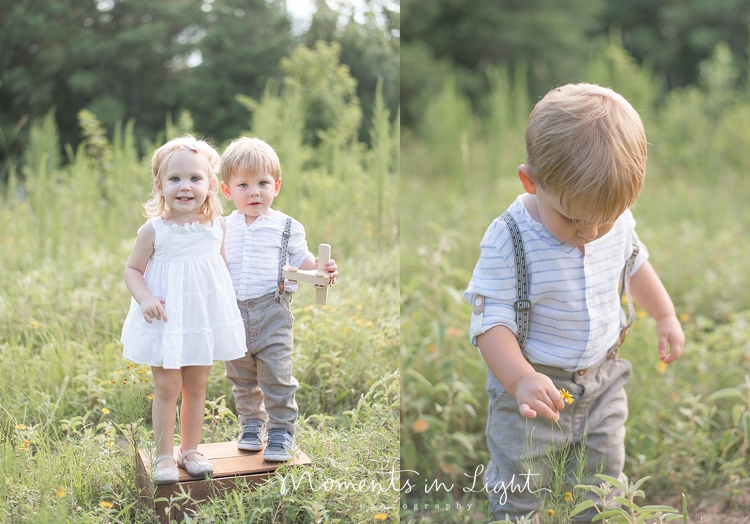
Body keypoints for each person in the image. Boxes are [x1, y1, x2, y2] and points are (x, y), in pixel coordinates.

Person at [463, 83, 685, 521]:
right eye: (573, 219)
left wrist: (665, 313)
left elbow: (633, 263)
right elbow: (492, 323)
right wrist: (521, 379)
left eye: (607, 219)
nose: (591, 233)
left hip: (603, 381)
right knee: (519, 490)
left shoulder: (612, 223)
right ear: (532, 181)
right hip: (532, 391)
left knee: (602, 486)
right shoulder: (510, 237)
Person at [121, 135, 247, 485]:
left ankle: (189, 449)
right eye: (175, 179)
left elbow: (220, 270)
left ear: (210, 186)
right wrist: (145, 298)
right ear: (160, 186)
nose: (185, 186)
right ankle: (163, 454)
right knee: (166, 386)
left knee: (196, 384)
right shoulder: (154, 230)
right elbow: (132, 270)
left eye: (195, 178)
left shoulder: (216, 227)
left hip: (201, 321)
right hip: (165, 319)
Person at [220, 137, 338, 462]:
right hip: (232, 315)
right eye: (243, 184)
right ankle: (251, 424)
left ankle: (281, 431)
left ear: (277, 185)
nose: (254, 191)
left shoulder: (286, 226)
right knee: (241, 376)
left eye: (262, 183)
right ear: (227, 190)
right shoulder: (222, 227)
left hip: (272, 312)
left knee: (275, 375)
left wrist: (322, 270)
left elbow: (305, 263)